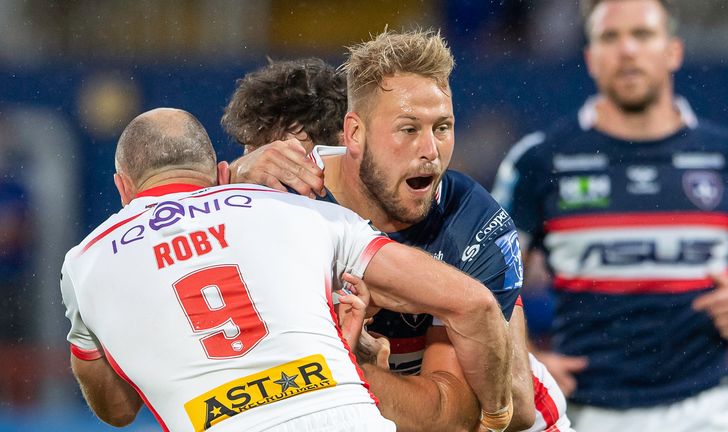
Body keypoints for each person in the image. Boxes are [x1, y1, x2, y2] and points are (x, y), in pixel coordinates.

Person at [60, 108, 516, 432]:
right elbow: (472, 303)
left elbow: (116, 411)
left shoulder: (86, 261)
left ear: (123, 189)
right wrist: (495, 418)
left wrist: (86, 338)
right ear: (221, 173)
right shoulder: (302, 213)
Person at [222, 36, 572, 431]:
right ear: (353, 134)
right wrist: (228, 186)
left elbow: (502, 412)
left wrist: (340, 368)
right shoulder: (282, 199)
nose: (430, 150)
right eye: (408, 129)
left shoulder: (472, 222)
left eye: (442, 127)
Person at [491, 0, 728, 431]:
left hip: (707, 410)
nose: (627, 50)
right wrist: (524, 360)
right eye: (609, 37)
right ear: (590, 58)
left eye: (642, 34)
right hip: (582, 413)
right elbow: (485, 288)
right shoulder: (539, 161)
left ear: (673, 50)